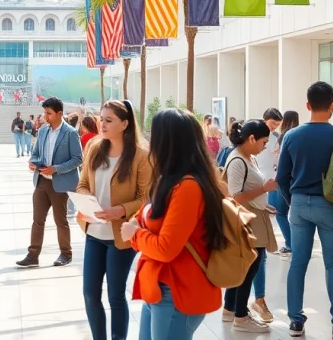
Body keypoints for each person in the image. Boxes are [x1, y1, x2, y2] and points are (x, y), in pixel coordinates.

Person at [120, 108, 226, 340]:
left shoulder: (188, 187)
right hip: (159, 289)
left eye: (153, 135)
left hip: (177, 292)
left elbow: (166, 248)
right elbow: (141, 216)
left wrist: (135, 235)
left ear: (167, 142)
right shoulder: (167, 180)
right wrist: (136, 228)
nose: (149, 141)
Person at [276, 82, 333, 339]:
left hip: (300, 204)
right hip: (330, 205)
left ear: (307, 105)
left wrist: (294, 202)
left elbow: (282, 177)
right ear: (332, 106)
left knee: (298, 263)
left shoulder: (291, 136)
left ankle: (295, 322)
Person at [76, 101, 153, 340]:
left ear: (125, 123)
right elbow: (82, 184)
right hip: (94, 232)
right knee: (90, 293)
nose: (102, 124)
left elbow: (146, 198)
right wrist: (85, 197)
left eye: (109, 120)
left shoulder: (141, 155)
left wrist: (120, 210)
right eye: (101, 118)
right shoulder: (93, 147)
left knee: (115, 295)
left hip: (122, 234)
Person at [221, 120, 278, 332]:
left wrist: (264, 203)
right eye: (263, 142)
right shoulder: (237, 161)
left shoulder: (249, 158)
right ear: (251, 138)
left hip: (255, 215)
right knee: (249, 266)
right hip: (247, 219)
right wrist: (264, 189)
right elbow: (235, 196)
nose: (265, 146)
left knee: (247, 265)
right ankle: (241, 316)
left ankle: (230, 309)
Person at [16, 97, 84, 268]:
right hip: (41, 181)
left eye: (49, 113)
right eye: (44, 112)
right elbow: (36, 151)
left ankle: (65, 254)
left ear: (59, 113)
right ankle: (33, 256)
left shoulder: (70, 133)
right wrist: (33, 162)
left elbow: (78, 159)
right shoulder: (44, 130)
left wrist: (56, 169)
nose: (45, 116)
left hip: (60, 183)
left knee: (60, 220)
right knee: (37, 220)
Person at [271, 110, 300, 257]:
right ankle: (295, 244)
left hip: (284, 179)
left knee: (280, 213)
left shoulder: (284, 136)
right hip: (297, 180)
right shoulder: (301, 135)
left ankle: (290, 244)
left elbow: (281, 161)